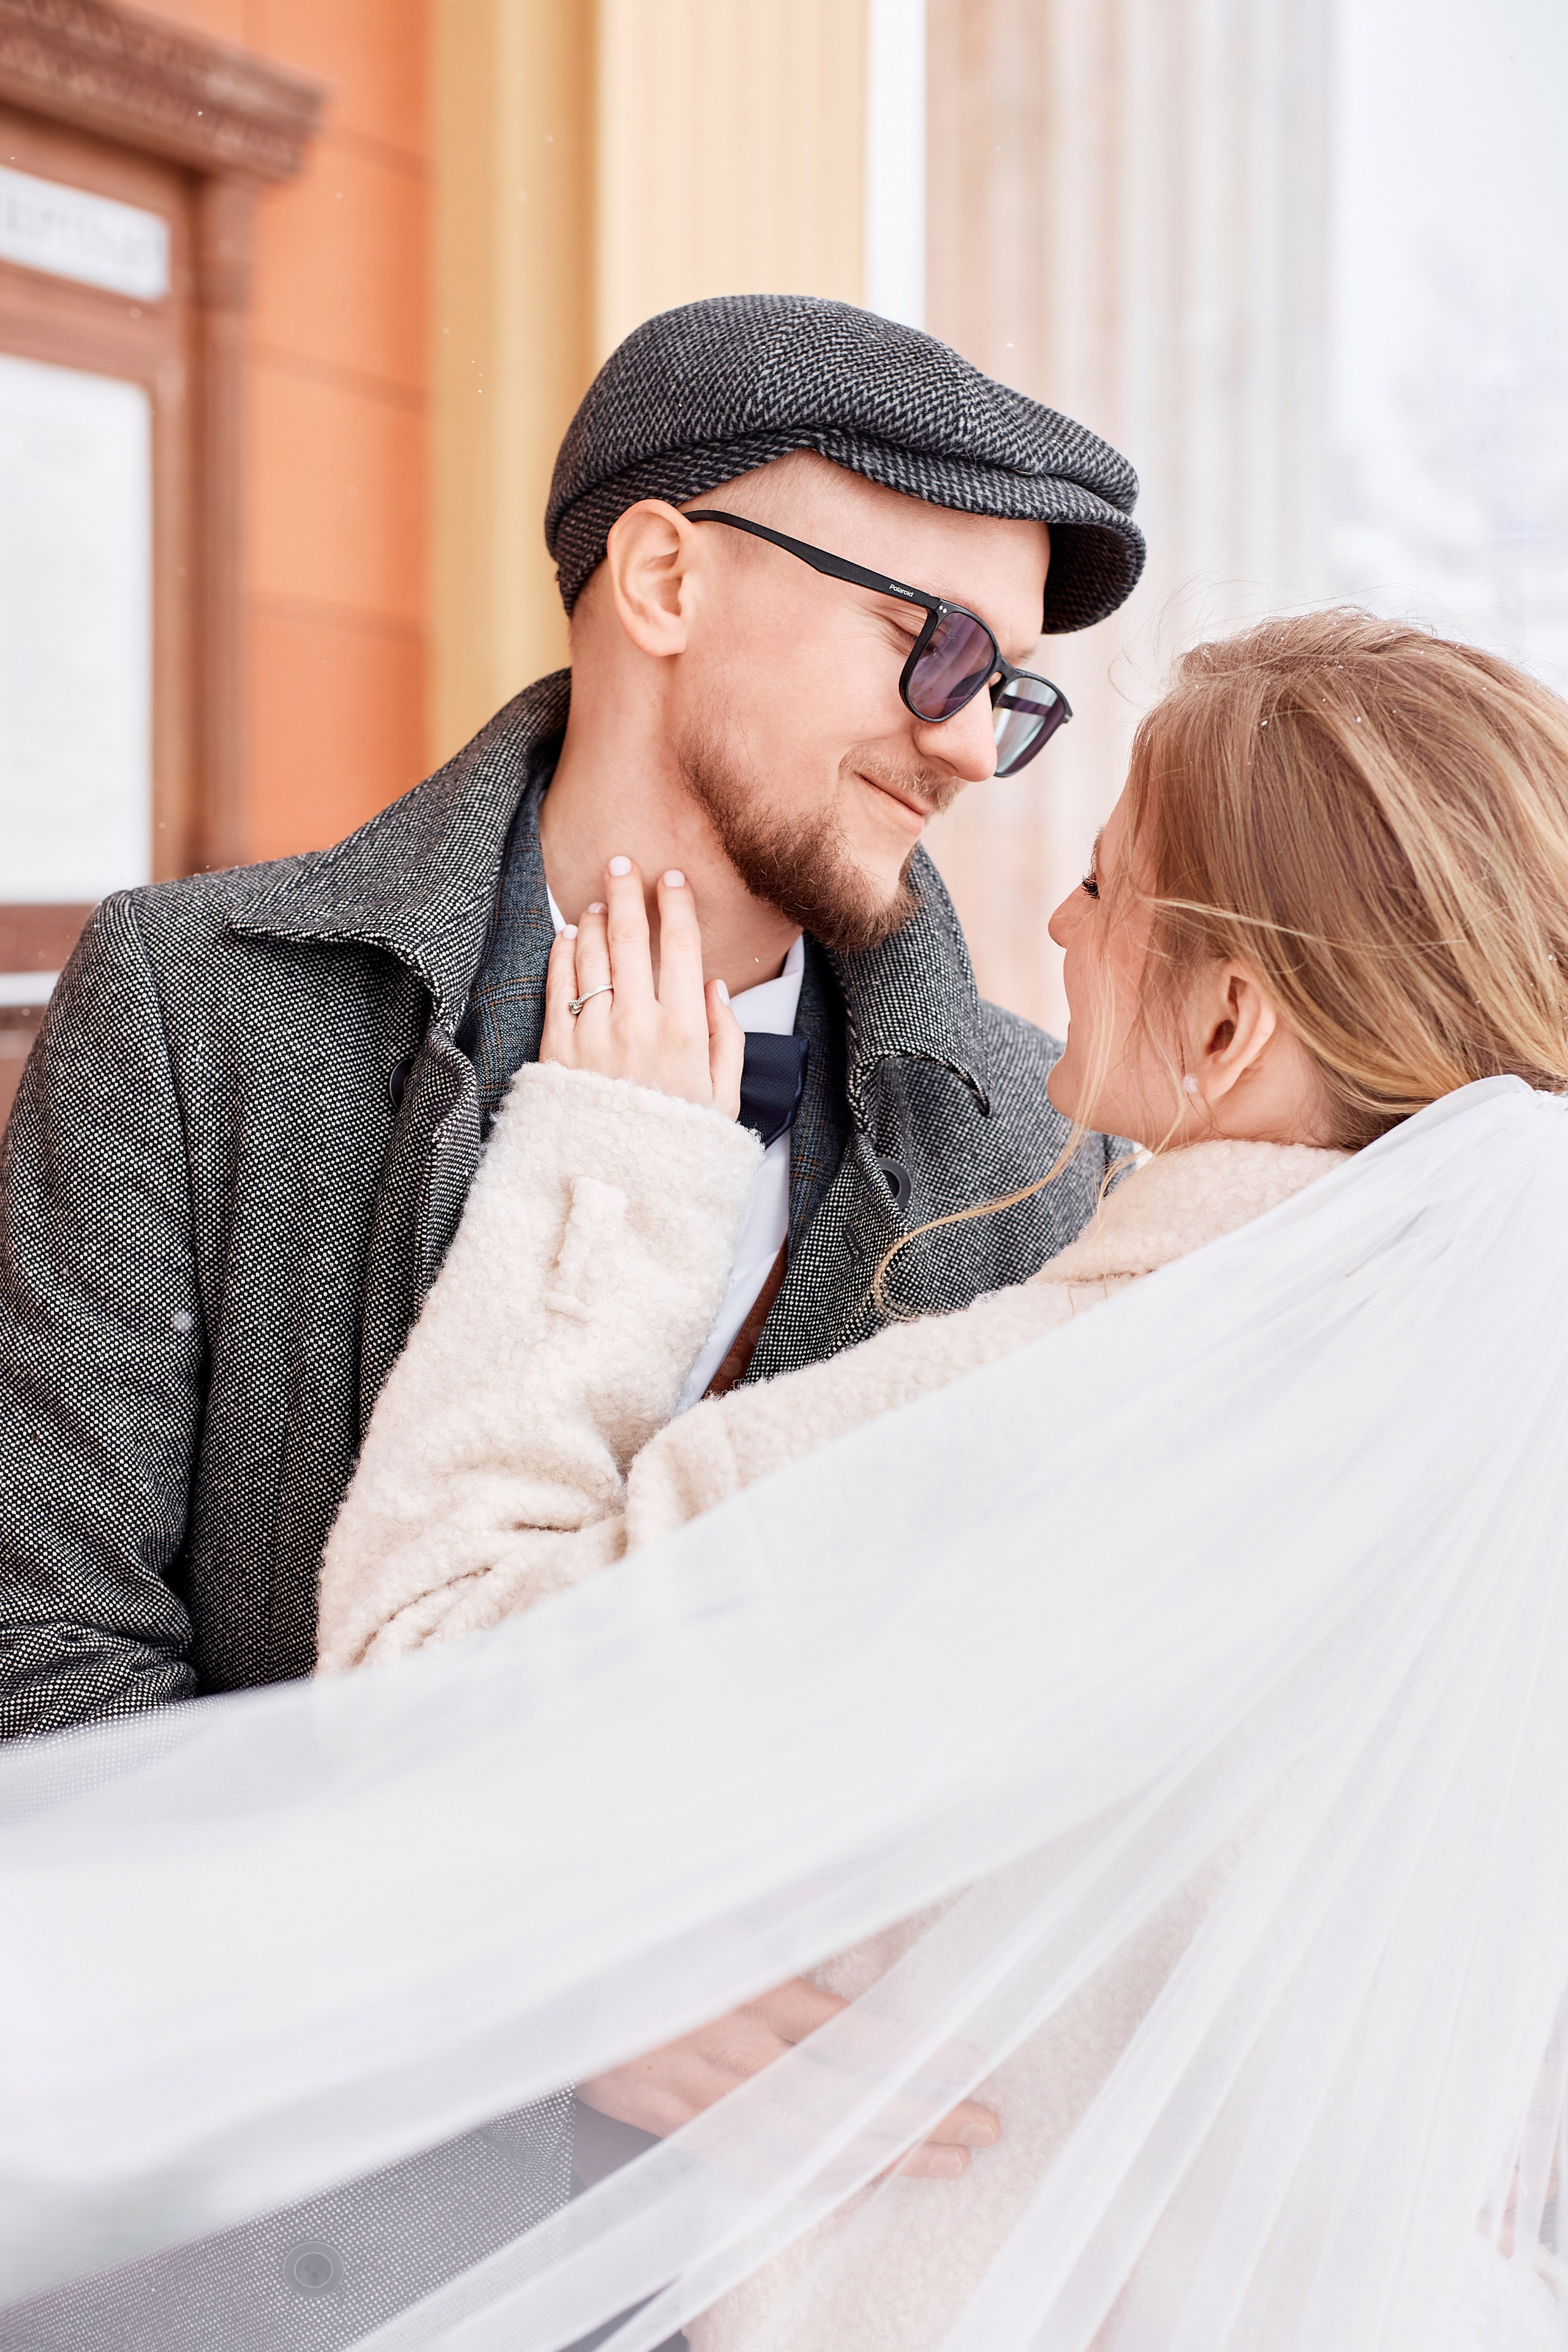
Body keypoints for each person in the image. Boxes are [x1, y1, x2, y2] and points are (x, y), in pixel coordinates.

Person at [2, 608, 1566, 2350]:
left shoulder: (1016, 1421)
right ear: (661, 582)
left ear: (1226, 1031)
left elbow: (431, 1682)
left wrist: (615, 1172)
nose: (1049, 907)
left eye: (1111, 888)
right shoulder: (1499, 1455)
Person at [0, 293, 1142, 2346]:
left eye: (1020, 698)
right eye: (937, 645)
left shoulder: (1046, 1159)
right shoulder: (191, 1009)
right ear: (667, 573)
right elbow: (40, 1676)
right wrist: (519, 1977)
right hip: (274, 2247)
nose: (971, 742)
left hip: (808, 2274)